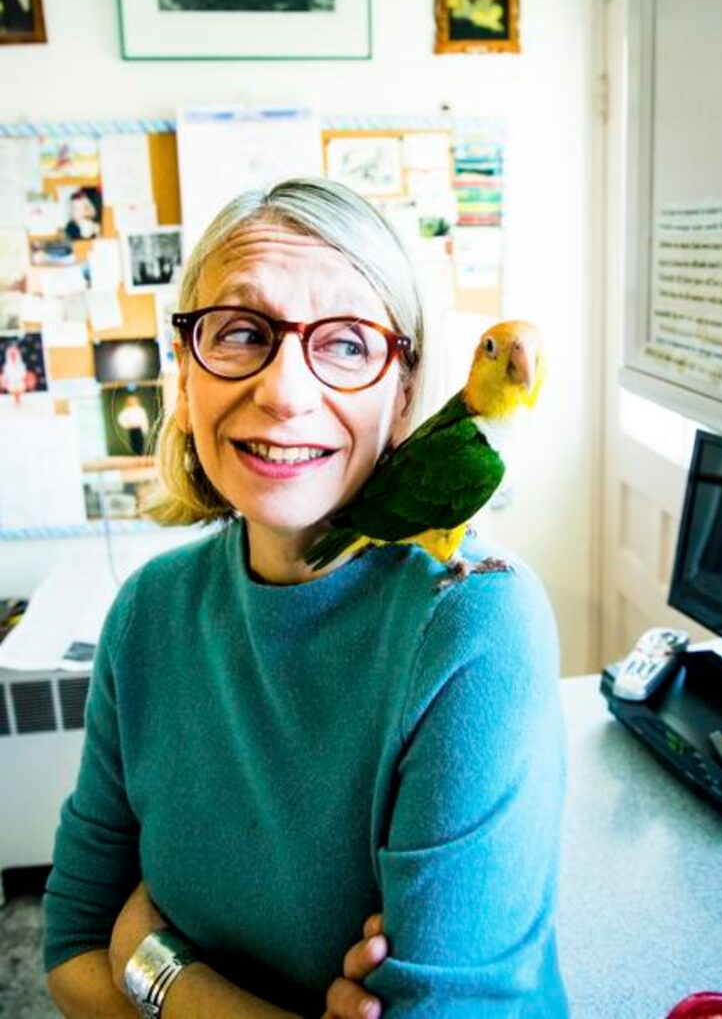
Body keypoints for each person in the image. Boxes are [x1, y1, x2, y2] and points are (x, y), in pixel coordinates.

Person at [43, 177, 569, 1018]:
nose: (285, 393)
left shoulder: (476, 624)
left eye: (350, 344)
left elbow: (111, 948)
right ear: (185, 372)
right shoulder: (147, 612)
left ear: (403, 393)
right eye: (242, 332)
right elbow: (71, 950)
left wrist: (151, 960)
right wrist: (164, 974)